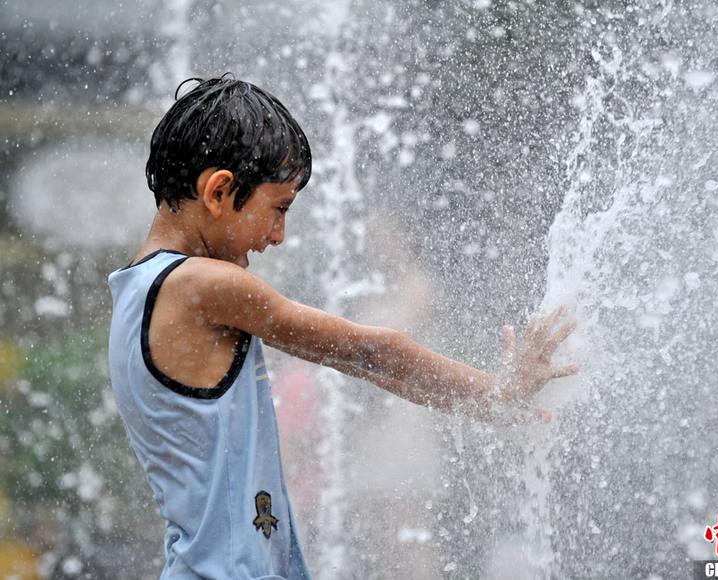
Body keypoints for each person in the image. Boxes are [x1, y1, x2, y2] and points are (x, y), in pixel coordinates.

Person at [106, 75, 577, 580]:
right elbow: (371, 351)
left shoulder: (136, 289)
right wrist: (498, 395)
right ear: (219, 191)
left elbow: (363, 366)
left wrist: (488, 405)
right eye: (278, 209)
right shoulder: (203, 285)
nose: (278, 236)